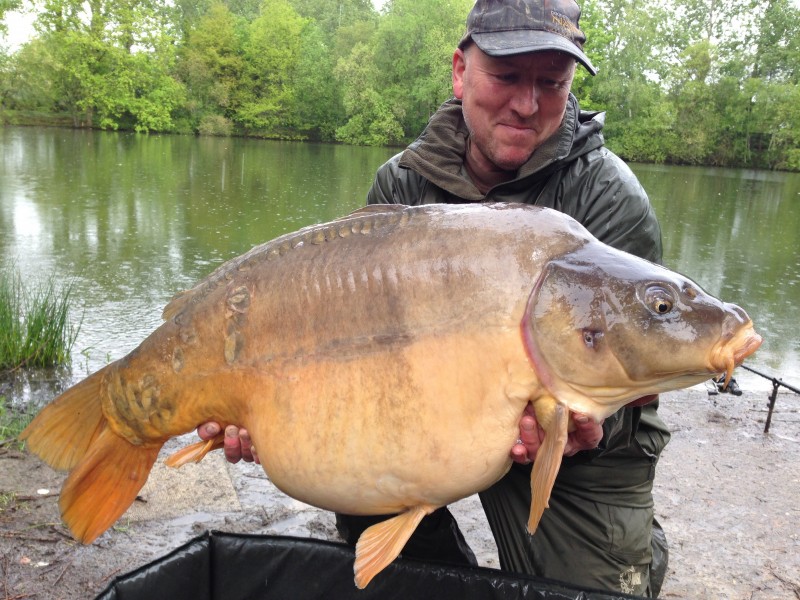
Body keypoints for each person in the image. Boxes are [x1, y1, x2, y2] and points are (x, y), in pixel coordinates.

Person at [197, 0, 671, 596]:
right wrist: (269, 410)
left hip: (576, 458)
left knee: (589, 590)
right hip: (437, 419)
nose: (527, 104)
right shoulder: (402, 183)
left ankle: (619, 556)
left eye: (550, 83)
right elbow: (352, 353)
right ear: (460, 71)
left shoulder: (609, 199)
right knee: (362, 471)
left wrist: (596, 425)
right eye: (507, 77)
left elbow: (638, 375)